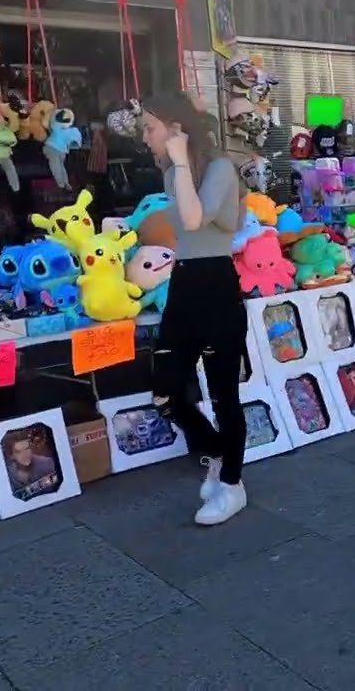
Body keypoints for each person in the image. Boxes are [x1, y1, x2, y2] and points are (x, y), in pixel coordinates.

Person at [137, 92, 248, 526]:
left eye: (150, 127)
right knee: (166, 393)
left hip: (217, 285)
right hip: (184, 283)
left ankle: (233, 484)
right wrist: (179, 167)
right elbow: (186, 223)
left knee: (224, 396)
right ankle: (218, 454)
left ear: (174, 127)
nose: (145, 137)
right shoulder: (172, 175)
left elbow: (197, 220)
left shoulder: (219, 168)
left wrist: (182, 162)